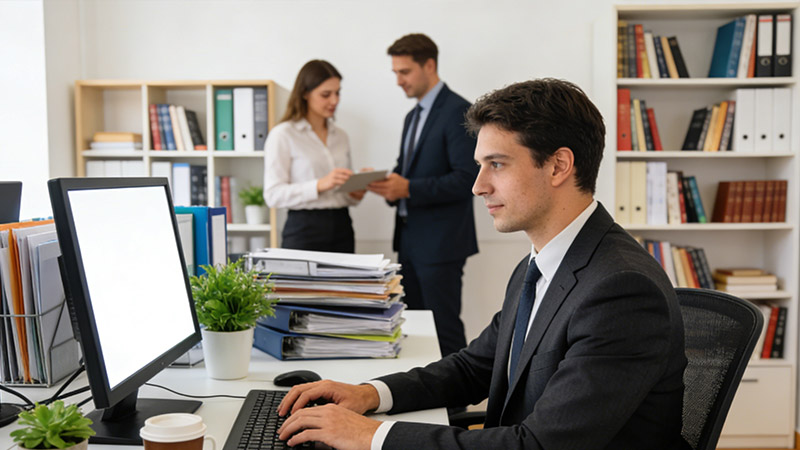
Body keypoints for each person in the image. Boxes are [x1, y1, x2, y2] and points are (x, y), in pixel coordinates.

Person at [275, 78, 687, 450]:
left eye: (497, 164)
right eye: (479, 165)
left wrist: (371, 435)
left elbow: (540, 445)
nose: (478, 185)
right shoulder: (544, 261)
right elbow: (474, 367)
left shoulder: (621, 290)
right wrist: (369, 394)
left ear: (559, 165)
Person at [368, 33, 478, 356]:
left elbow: (467, 178)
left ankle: (457, 405)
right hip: (409, 242)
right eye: (395, 73)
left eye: (404, 72)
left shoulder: (460, 111)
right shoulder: (412, 116)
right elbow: (406, 172)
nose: (399, 81)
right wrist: (384, 184)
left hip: (441, 244)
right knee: (413, 326)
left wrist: (408, 188)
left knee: (444, 327)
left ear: (429, 65)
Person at [263, 60, 365, 253]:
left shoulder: (341, 136)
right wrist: (319, 185)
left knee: (346, 284)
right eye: (326, 94)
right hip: (304, 230)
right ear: (305, 94)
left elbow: (342, 194)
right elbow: (273, 195)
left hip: (342, 226)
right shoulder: (283, 134)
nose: (334, 101)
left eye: (337, 93)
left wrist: (355, 193)